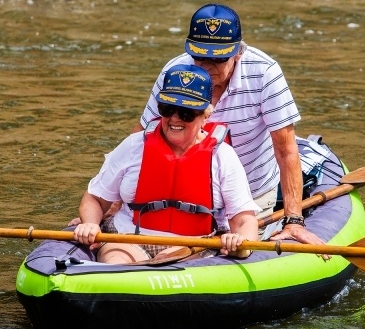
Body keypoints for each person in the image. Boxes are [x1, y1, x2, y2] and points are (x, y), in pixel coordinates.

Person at [136, 3, 327, 248]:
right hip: (184, 196)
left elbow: (286, 149)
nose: (206, 66)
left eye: (218, 59)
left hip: (250, 196)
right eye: (200, 56)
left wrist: (293, 221)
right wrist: (109, 204)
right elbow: (143, 136)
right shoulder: (175, 73)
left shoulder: (265, 73)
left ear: (238, 52)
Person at [73, 64, 259, 264]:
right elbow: (95, 198)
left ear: (206, 115)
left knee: (166, 262)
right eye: (167, 109)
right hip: (128, 238)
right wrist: (90, 224)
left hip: (193, 245)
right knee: (115, 261)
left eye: (186, 113)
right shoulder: (134, 145)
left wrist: (241, 242)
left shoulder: (222, 156)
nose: (175, 119)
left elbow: (243, 220)